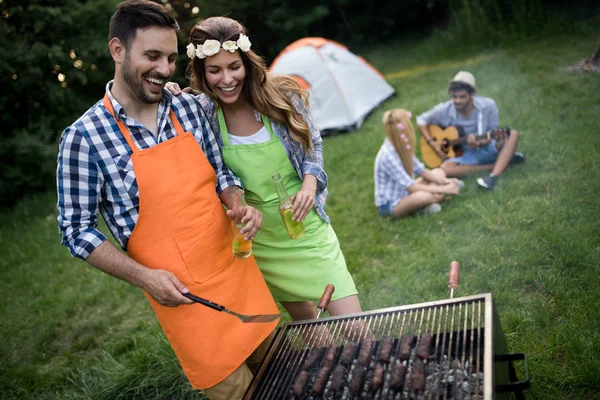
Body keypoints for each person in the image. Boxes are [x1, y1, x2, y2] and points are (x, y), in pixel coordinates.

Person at [56, 1, 279, 399]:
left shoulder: (191, 108)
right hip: (182, 298)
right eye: (152, 56)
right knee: (236, 391)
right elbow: (75, 230)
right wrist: (144, 277)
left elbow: (221, 173)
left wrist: (236, 202)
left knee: (281, 370)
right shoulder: (84, 139)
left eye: (171, 58)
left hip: (236, 270)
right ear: (118, 50)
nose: (163, 69)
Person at [166, 16, 362, 321]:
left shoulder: (281, 95)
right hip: (260, 240)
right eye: (214, 70)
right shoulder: (203, 113)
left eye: (234, 67)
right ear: (203, 74)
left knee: (355, 327)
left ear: (247, 62)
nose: (226, 79)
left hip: (304, 227)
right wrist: (169, 93)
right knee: (307, 326)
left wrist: (310, 186)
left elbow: (313, 145)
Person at [416, 71, 524, 190]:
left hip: (484, 148)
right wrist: (433, 143)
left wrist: (480, 142)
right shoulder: (445, 109)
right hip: (462, 154)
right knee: (443, 169)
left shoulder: (488, 106)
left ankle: (492, 177)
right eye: (454, 96)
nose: (457, 101)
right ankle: (498, 164)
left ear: (472, 95)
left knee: (512, 134)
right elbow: (421, 120)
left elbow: (492, 133)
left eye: (462, 96)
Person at [374, 108, 463, 217]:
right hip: (392, 204)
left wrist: (445, 181)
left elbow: (420, 170)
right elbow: (411, 187)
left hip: (406, 191)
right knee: (424, 196)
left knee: (438, 172)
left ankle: (429, 201)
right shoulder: (388, 155)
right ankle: (427, 203)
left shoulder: (403, 145)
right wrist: (443, 188)